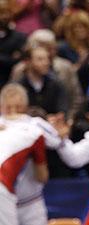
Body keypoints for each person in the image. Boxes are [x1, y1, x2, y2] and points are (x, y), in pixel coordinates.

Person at [0, 83, 48, 225]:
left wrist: (62, 137)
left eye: (18, 108)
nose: (14, 112)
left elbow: (61, 144)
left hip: (31, 201)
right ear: (2, 108)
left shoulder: (36, 126)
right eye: (9, 108)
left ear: (26, 107)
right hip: (6, 194)